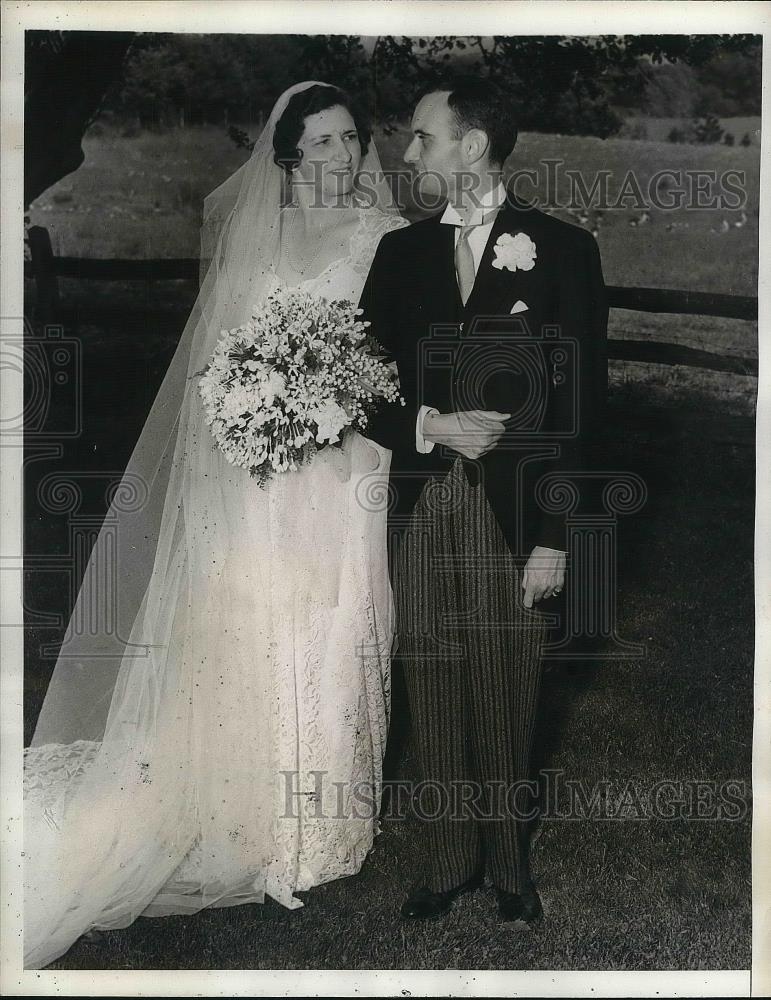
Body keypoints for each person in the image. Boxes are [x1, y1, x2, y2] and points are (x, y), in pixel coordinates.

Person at [23, 81, 408, 969]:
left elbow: (390, 357)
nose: (342, 156)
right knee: (249, 634)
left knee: (335, 627)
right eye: (320, 144)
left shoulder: (385, 240)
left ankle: (320, 829)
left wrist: (335, 405)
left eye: (350, 138)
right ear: (287, 158)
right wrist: (251, 414)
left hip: (347, 474)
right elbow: (220, 361)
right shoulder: (254, 240)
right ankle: (242, 812)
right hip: (258, 473)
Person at [360, 76, 608, 922]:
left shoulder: (563, 250)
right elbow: (358, 389)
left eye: (422, 138)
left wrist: (557, 539)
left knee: (507, 677)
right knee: (429, 671)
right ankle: (446, 857)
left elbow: (579, 410)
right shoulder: (399, 255)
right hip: (423, 501)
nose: (407, 154)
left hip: (517, 512)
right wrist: (429, 423)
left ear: (471, 146)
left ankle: (509, 864)